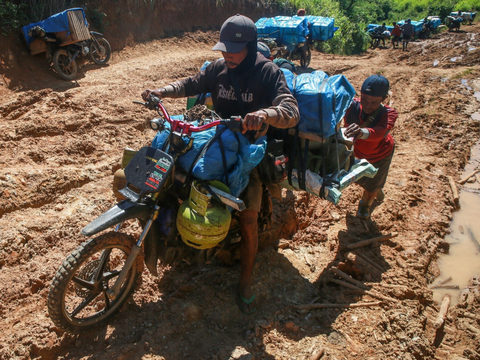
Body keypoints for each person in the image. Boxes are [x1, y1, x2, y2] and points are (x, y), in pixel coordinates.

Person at [142, 14, 300, 314]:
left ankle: (245, 281)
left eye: (233, 49)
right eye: (223, 48)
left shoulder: (268, 72)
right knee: (175, 175)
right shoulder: (219, 68)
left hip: (248, 153)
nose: (227, 54)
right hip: (216, 140)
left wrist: (265, 115)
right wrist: (163, 91)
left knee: (248, 218)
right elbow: (192, 83)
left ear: (251, 47)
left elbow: (291, 110)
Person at [343, 75, 398, 220]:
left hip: (380, 155)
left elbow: (380, 132)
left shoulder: (389, 113)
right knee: (360, 178)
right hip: (358, 153)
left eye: (374, 102)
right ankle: (377, 188)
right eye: (365, 99)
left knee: (373, 184)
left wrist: (361, 132)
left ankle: (365, 205)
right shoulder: (351, 106)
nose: (367, 105)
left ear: (383, 99)